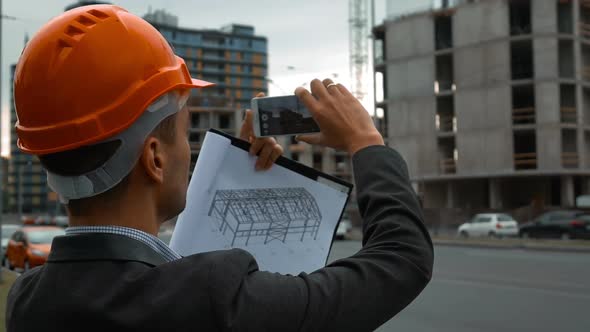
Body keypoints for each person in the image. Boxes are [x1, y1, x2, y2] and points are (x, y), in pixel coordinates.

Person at [6, 5, 433, 332]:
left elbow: (169, 279)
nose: (189, 154)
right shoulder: (214, 297)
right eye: (186, 137)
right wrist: (366, 142)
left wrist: (233, 176)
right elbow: (402, 258)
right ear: (154, 158)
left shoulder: (27, 301)